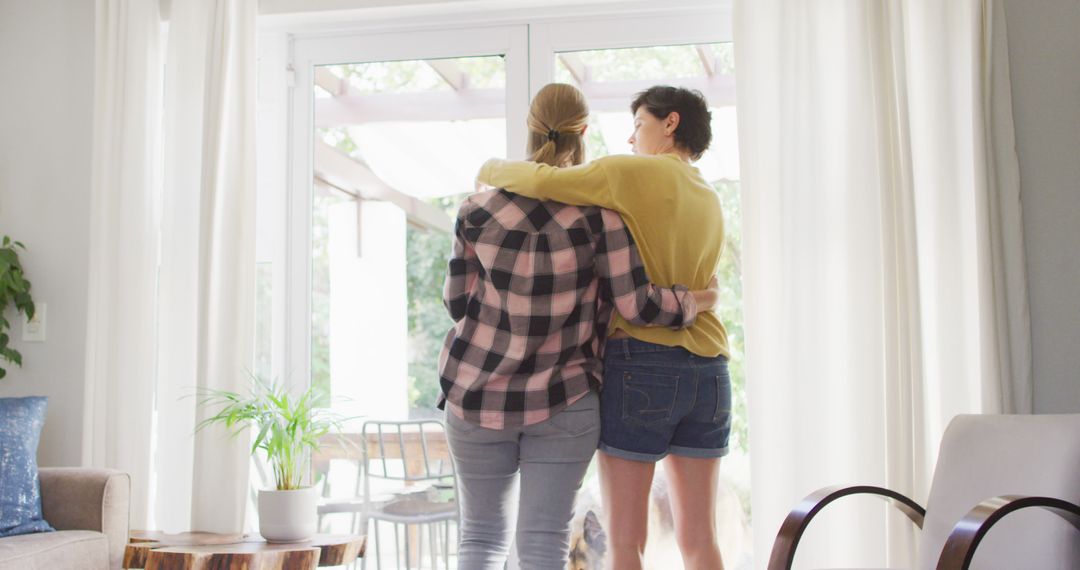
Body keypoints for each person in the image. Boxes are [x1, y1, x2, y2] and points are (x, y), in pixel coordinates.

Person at [439, 83, 718, 570]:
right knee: (545, 541)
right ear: (584, 131)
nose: (632, 138)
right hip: (565, 398)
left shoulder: (475, 211)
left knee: (480, 539)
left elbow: (457, 302)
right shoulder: (604, 218)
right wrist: (698, 301)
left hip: (476, 393)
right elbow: (636, 305)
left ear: (529, 128)